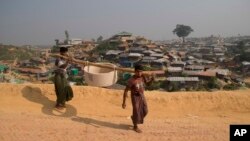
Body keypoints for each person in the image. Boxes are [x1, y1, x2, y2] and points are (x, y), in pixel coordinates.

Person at [122, 64, 155, 133]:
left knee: (145, 111)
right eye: (138, 72)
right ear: (135, 71)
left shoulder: (142, 77)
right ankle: (135, 126)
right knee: (136, 111)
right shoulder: (131, 80)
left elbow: (148, 84)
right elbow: (126, 90)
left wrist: (152, 79)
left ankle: (134, 118)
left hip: (142, 96)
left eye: (141, 72)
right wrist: (124, 102)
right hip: (135, 97)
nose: (139, 73)